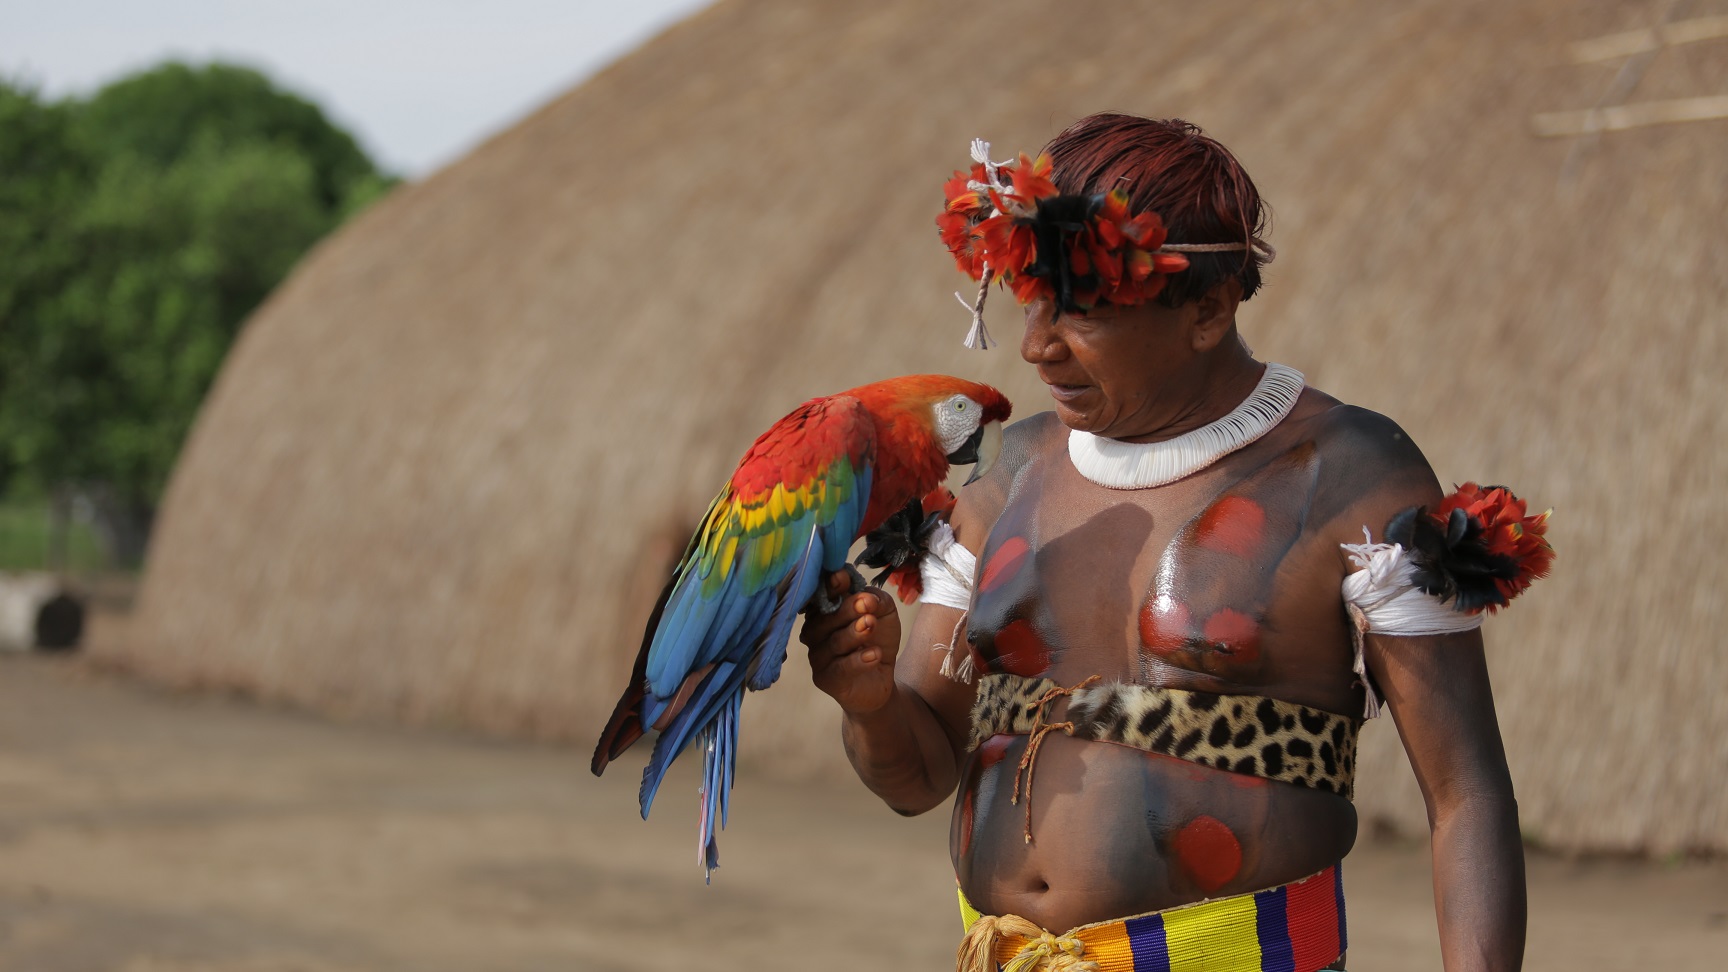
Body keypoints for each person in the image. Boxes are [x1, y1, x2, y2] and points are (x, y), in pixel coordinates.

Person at [801, 114, 1545, 972]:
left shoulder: (1349, 476)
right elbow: (918, 777)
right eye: (1030, 300)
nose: (1037, 343)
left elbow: (1466, 798)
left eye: (1081, 311)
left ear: (1208, 309)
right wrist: (866, 702)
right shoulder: (1007, 476)